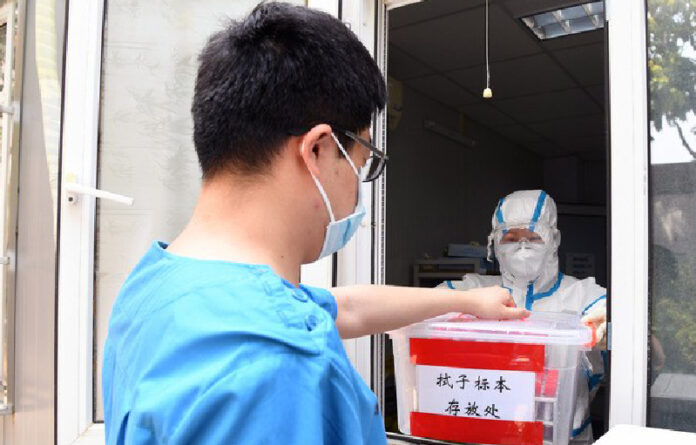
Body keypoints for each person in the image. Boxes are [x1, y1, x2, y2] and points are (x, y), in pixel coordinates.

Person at [101, 3, 528, 445]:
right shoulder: (281, 365)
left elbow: (347, 307)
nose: (358, 190)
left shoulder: (158, 284)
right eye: (362, 164)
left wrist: (468, 303)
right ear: (320, 150)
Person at [437, 189, 607, 444]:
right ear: (494, 243)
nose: (522, 246)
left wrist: (612, 324)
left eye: (534, 236)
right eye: (511, 238)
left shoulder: (584, 294)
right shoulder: (472, 289)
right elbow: (425, 308)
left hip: (563, 435)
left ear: (554, 239)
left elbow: (627, 326)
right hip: (489, 430)